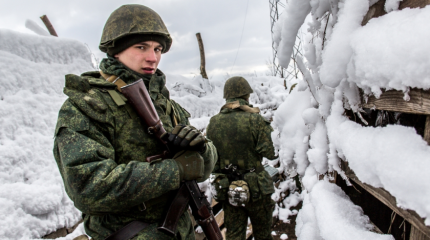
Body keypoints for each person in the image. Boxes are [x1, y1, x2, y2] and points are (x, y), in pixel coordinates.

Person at [53, 4, 217, 240]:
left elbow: (205, 166)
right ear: (115, 51)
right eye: (141, 47)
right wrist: (175, 170)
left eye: (158, 49)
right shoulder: (88, 105)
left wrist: (202, 149)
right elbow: (87, 187)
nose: (153, 58)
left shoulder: (165, 104)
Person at [206, 76, 277, 240]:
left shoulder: (213, 123)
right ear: (246, 96)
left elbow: (211, 157)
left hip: (230, 188)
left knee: (234, 235)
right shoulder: (255, 120)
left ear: (227, 96)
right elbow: (271, 152)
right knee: (263, 235)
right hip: (257, 189)